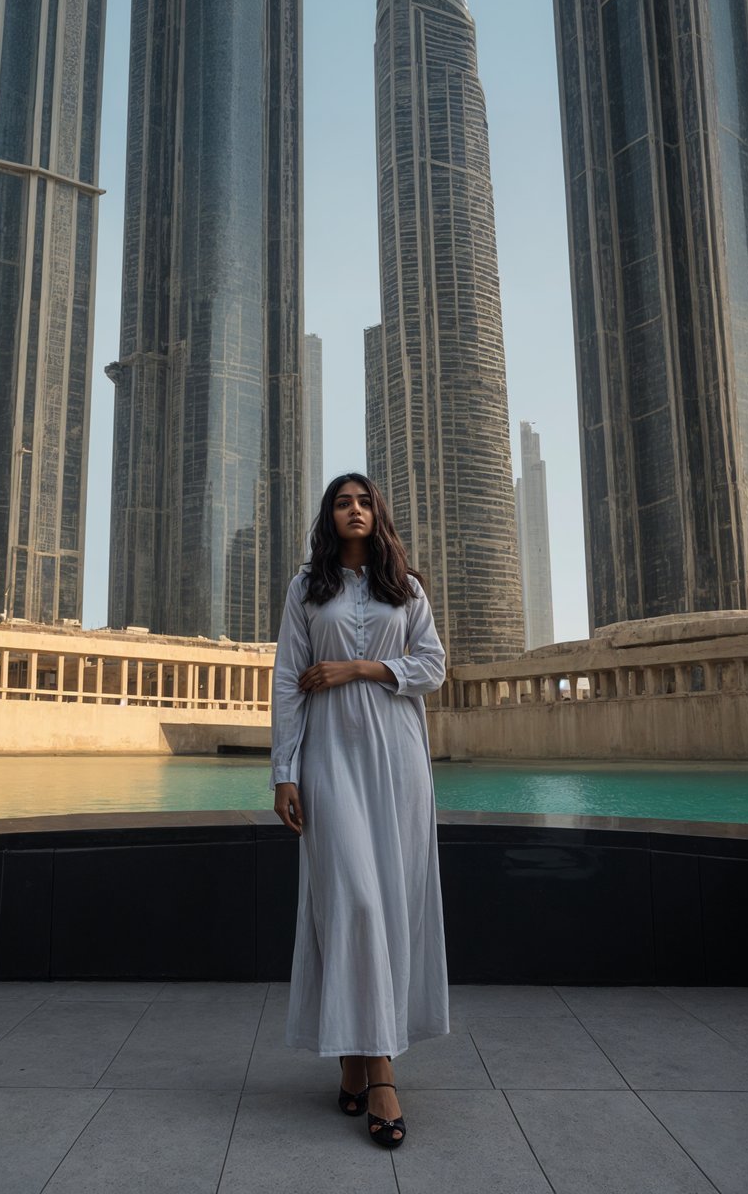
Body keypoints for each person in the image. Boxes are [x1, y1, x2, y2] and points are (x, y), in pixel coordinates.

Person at [271, 472, 449, 1149]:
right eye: (343, 502)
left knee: (388, 904)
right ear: (329, 517)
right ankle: (380, 1070)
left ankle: (352, 1059)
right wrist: (283, 772)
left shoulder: (405, 589)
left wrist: (361, 668)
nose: (354, 510)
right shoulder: (305, 590)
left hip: (397, 758)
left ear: (379, 514)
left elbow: (432, 666)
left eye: (364, 501)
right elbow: (288, 677)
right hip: (329, 758)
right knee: (354, 903)